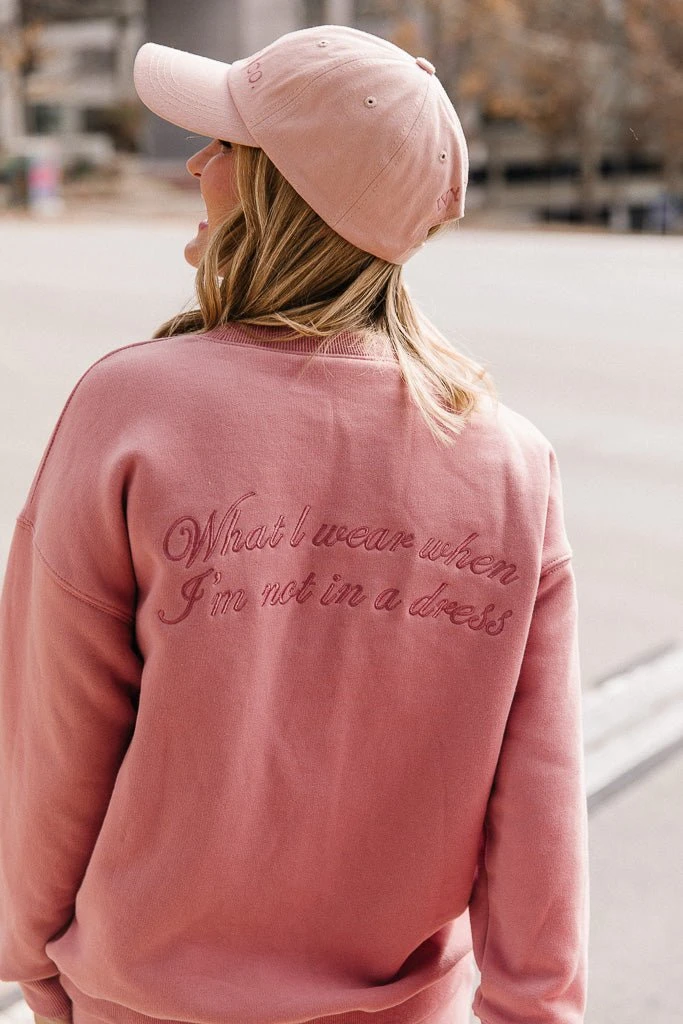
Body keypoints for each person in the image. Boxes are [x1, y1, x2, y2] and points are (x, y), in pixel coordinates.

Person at [0, 22, 589, 1024]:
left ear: (284, 190)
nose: (198, 165)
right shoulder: (510, 464)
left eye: (224, 145)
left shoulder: (132, 410)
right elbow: (537, 798)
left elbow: (50, 742)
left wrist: (33, 959)